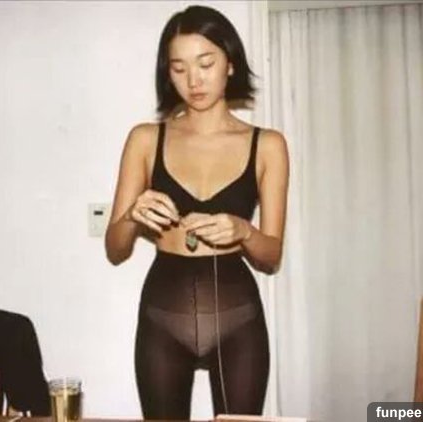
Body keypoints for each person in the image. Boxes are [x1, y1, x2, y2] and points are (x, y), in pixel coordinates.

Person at [105, 5, 289, 419]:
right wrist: (132, 216)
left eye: (206, 64)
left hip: (238, 320)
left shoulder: (268, 145)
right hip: (162, 318)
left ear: (230, 64)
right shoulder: (145, 139)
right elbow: (115, 250)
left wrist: (244, 231)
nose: (194, 80)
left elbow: (272, 255)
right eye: (179, 68)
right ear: (167, 73)